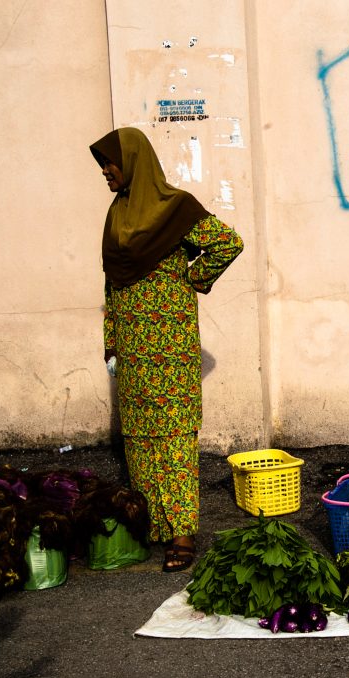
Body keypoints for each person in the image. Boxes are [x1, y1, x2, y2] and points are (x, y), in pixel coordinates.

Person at [90, 127, 243, 571]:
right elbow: (111, 285)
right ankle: (155, 526)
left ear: (132, 161)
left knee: (174, 441)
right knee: (139, 442)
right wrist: (111, 343)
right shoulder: (117, 215)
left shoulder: (176, 208)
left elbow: (227, 243)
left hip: (170, 349)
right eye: (103, 164)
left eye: (110, 162)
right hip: (133, 351)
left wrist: (191, 279)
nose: (105, 171)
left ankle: (182, 535)